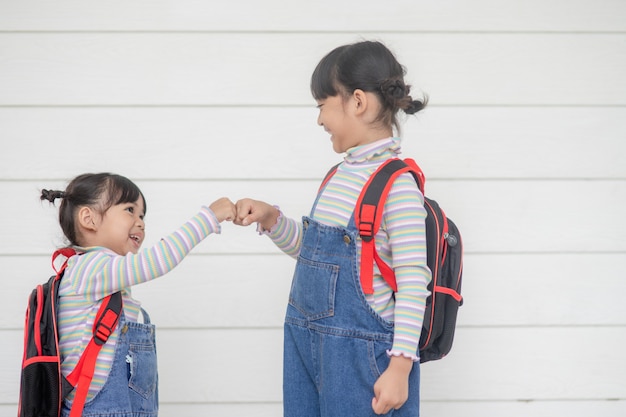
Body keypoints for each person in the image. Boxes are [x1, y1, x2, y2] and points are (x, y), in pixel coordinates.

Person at [234, 40, 432, 416]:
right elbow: (314, 251)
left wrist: (401, 366)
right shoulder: (338, 176)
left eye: (322, 105)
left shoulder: (397, 185)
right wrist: (271, 219)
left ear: (357, 102)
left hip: (359, 357)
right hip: (305, 344)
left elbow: (411, 282)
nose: (319, 119)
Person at [40, 172, 235, 417]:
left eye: (142, 215)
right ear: (89, 219)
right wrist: (208, 218)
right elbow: (157, 261)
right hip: (97, 410)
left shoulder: (103, 274)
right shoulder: (88, 268)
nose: (141, 222)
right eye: (130, 210)